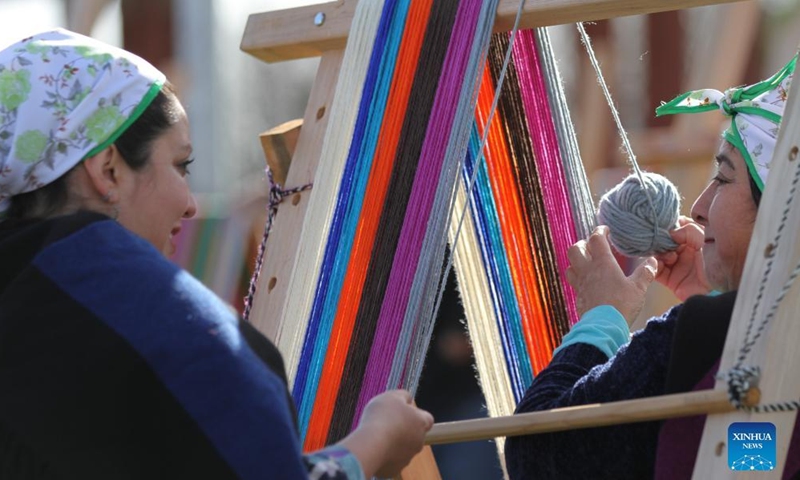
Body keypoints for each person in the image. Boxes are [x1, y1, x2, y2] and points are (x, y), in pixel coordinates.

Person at [0, 29, 433, 479]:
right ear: (108, 170)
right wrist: (375, 440)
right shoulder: (159, 327)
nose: (190, 205)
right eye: (180, 165)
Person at [504, 55, 797, 479]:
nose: (699, 208)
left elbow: (538, 458)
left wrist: (601, 318)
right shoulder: (746, 337)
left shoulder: (713, 334)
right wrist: (715, 299)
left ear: (779, 207)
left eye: (723, 178)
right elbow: (758, 458)